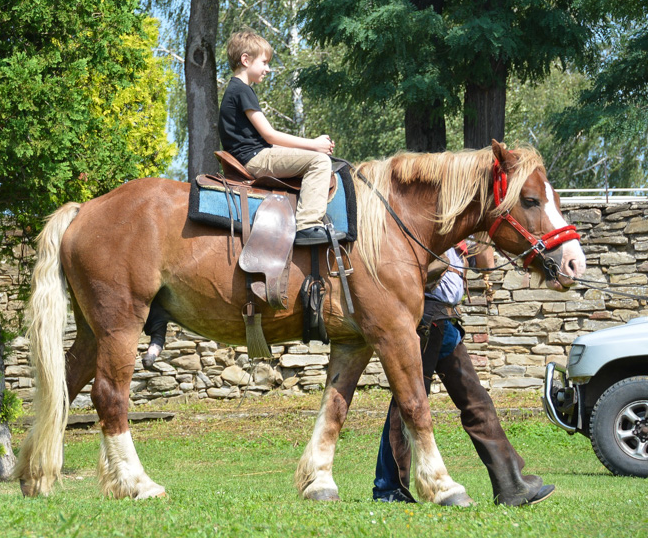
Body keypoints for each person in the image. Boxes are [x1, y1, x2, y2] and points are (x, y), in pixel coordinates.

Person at [372, 243, 555, 506]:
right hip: (424, 319)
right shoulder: (435, 221)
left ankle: (511, 486)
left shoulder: (462, 234)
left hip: (446, 321)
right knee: (407, 404)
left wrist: (478, 241)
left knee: (477, 402)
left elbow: (487, 263)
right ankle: (389, 488)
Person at [218, 30, 342, 246]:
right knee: (321, 162)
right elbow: (270, 134)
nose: (268, 68)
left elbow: (268, 140)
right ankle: (306, 225)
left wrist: (312, 148)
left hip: (256, 154)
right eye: (264, 62)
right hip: (255, 158)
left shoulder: (236, 90)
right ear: (245, 60)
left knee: (315, 156)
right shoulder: (242, 90)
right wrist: (315, 146)